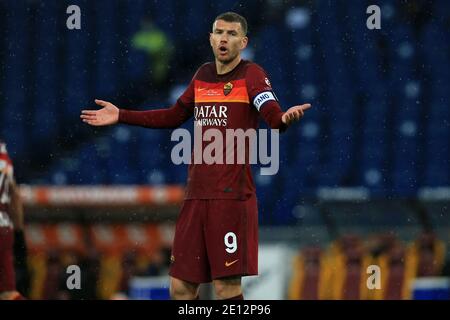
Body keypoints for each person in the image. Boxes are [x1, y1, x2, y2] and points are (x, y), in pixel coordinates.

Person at [81, 12, 311, 300]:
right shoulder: (202, 75)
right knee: (179, 288)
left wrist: (282, 120)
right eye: (219, 32)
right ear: (211, 38)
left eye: (231, 34)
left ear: (243, 41)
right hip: (196, 197)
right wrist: (122, 115)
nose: (224, 38)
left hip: (230, 198)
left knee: (226, 288)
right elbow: (173, 115)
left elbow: (271, 113)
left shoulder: (251, 75)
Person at [0, 140, 27, 300]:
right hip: (4, 228)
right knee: (7, 293)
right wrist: (19, 233)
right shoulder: (4, 156)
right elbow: (15, 197)